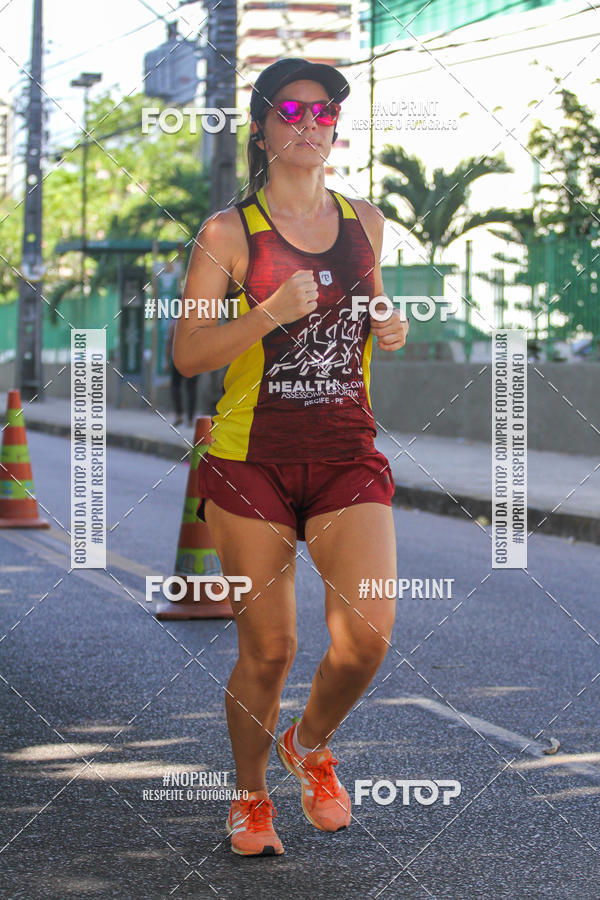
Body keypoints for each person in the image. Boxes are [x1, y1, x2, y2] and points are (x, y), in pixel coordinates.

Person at [173, 57, 409, 857]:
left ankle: (307, 744)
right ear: (264, 128)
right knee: (270, 649)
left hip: (346, 450)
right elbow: (190, 353)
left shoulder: (365, 220)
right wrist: (270, 311)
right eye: (293, 113)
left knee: (367, 636)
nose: (310, 126)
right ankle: (247, 799)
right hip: (250, 461)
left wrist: (389, 322)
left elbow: (372, 304)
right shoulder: (227, 234)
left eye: (324, 115)